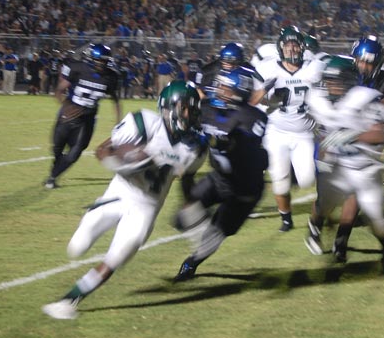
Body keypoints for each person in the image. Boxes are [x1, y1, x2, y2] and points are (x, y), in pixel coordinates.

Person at [42, 81, 206, 319]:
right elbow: (102, 150)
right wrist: (125, 162)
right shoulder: (144, 123)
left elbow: (187, 182)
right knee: (77, 246)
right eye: (186, 108)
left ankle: (69, 301)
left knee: (119, 255)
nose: (191, 115)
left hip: (147, 206)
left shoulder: (196, 147)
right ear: (169, 108)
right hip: (120, 193)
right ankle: (92, 218)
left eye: (194, 109)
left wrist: (193, 215)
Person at [172, 68, 268, 281]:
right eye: (220, 86)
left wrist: (231, 143)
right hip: (219, 178)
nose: (219, 91)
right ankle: (204, 221)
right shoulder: (207, 109)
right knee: (181, 219)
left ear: (239, 91)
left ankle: (191, 263)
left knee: (216, 233)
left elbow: (250, 151)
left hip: (245, 188)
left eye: (225, 88)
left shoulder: (253, 117)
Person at [304, 55, 384, 273]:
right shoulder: (317, 99)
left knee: (377, 220)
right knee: (324, 204)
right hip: (335, 164)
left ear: (350, 82)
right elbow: (320, 131)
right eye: (329, 81)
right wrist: (322, 154)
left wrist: (351, 136)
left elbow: (380, 135)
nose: (332, 86)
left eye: (338, 82)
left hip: (363, 167)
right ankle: (315, 228)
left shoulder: (363, 99)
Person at [256, 26, 326, 231]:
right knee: (279, 180)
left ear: (302, 48)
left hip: (304, 132)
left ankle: (293, 171)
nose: (292, 49)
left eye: (295, 45)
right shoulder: (268, 68)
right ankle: (286, 219)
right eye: (288, 45)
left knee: (306, 180)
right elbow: (254, 100)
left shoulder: (314, 67)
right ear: (280, 48)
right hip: (276, 132)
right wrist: (269, 95)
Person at [44, 44, 122, 189]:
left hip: (87, 119)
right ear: (92, 59)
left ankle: (52, 178)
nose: (102, 64)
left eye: (105, 61)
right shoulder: (79, 69)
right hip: (67, 116)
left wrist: (118, 123)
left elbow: (115, 100)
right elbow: (59, 90)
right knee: (57, 149)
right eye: (100, 61)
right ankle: (56, 169)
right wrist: (67, 106)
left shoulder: (110, 77)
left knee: (74, 153)